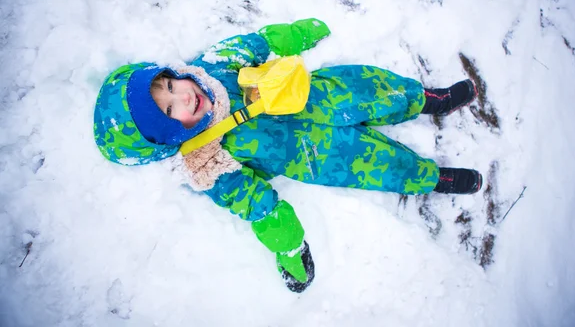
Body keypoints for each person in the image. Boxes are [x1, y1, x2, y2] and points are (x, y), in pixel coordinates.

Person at [93, 18, 482, 293]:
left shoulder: (211, 68)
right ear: (167, 137)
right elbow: (256, 205)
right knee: (380, 165)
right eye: (168, 109)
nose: (183, 94)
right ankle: (430, 178)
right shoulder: (208, 163)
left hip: (320, 94)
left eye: (168, 84)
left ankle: (429, 99)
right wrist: (289, 248)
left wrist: (296, 35)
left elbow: (257, 43)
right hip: (319, 155)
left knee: (375, 88)